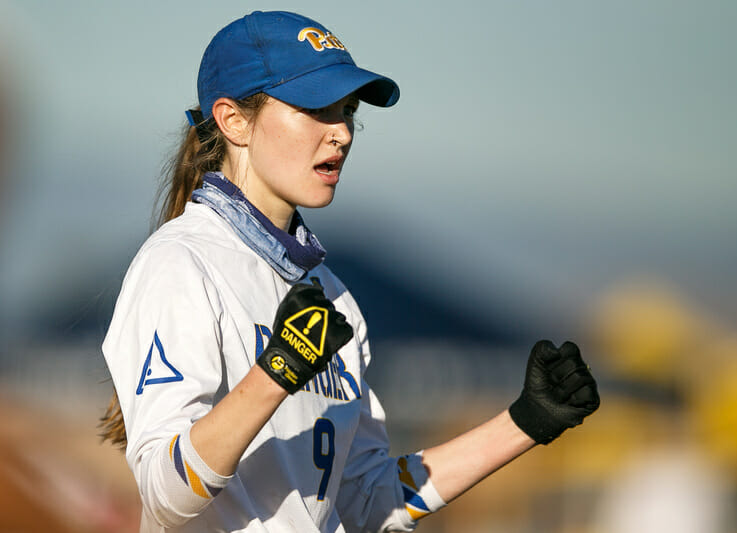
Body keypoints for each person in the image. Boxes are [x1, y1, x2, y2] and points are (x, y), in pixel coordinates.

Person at [100, 10, 600, 533]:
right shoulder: (180, 263)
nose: (341, 132)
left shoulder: (335, 301)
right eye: (316, 108)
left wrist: (525, 422)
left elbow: (367, 500)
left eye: (347, 111)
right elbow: (164, 495)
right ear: (233, 121)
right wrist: (275, 374)